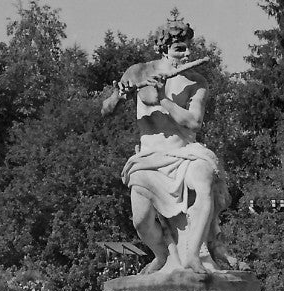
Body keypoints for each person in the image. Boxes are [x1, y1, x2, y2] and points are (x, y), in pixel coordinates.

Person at [101, 23, 238, 276]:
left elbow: (194, 122)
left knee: (204, 179)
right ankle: (162, 255)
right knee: (141, 221)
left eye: (187, 50)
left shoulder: (197, 82)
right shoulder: (139, 72)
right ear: (164, 50)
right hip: (148, 159)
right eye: (178, 50)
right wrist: (119, 96)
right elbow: (106, 110)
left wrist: (163, 97)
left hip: (185, 154)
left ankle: (193, 256)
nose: (186, 56)